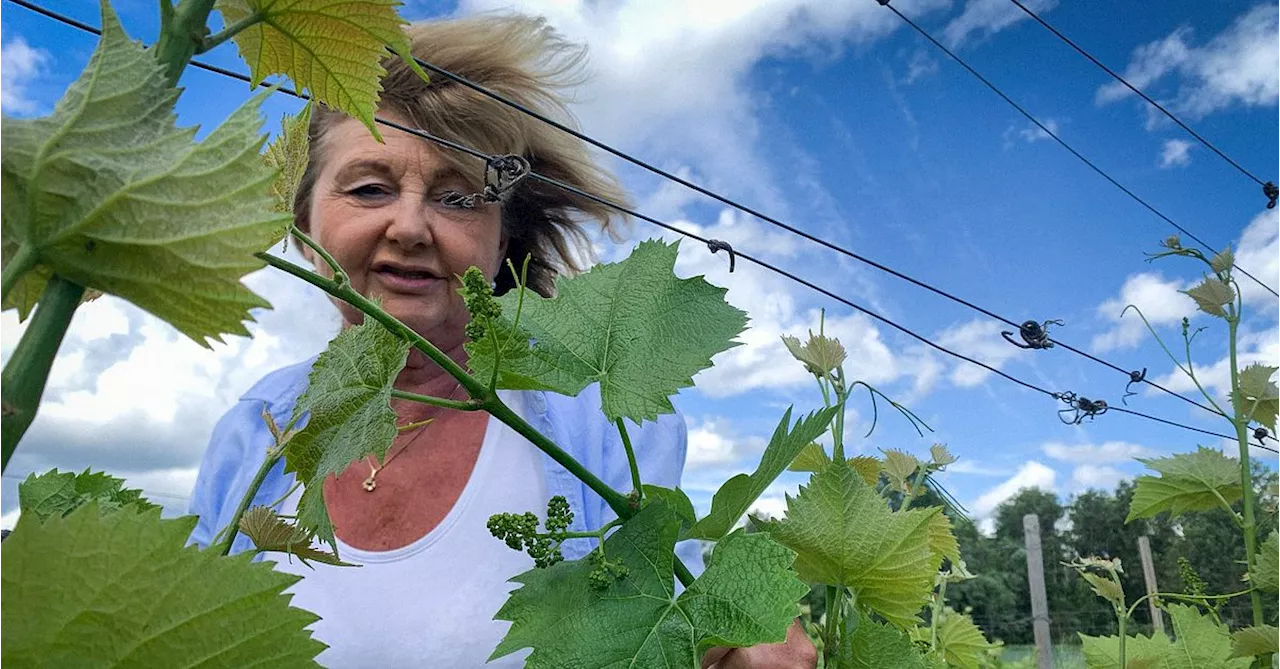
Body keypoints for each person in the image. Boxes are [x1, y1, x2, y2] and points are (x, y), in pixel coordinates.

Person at [187, 13, 816, 669]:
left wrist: (740, 635)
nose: (408, 226)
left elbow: (675, 615)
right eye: (369, 187)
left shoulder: (599, 423)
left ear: (503, 239)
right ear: (303, 216)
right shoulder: (255, 429)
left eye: (458, 198)